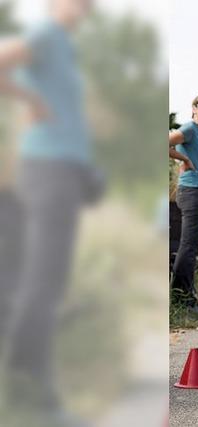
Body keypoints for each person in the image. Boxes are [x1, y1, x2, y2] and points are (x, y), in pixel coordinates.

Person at [0, 0, 98, 422]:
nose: (86, 8)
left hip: (59, 169)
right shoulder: (45, 34)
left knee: (43, 275)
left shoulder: (63, 45)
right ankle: (33, 386)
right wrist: (32, 103)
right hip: (49, 171)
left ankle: (25, 370)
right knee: (46, 278)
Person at [169, 93, 198, 314]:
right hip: (192, 192)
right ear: (194, 109)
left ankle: (185, 295)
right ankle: (183, 299)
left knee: (190, 247)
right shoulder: (189, 129)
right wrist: (184, 160)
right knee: (189, 247)